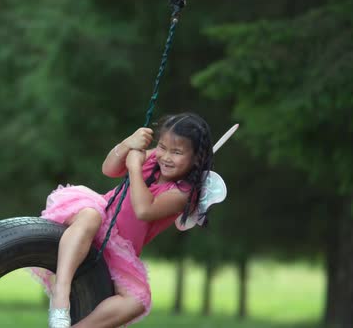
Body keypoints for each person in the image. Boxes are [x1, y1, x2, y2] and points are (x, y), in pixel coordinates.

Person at [32, 112, 215, 328]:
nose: (165, 156)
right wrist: (127, 144)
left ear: (196, 158)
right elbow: (109, 168)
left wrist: (135, 168)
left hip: (120, 247)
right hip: (99, 214)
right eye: (163, 147)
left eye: (176, 152)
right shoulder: (155, 158)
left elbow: (144, 210)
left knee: (138, 300)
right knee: (91, 217)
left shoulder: (185, 194)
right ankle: (61, 293)